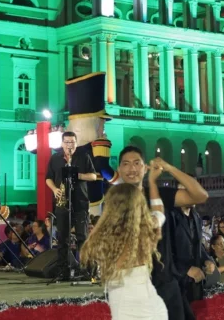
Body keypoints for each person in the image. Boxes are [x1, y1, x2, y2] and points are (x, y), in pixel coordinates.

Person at [117, 146, 209, 320]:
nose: (132, 169)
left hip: (165, 283)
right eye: (126, 164)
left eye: (137, 163)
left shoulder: (161, 195)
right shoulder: (115, 201)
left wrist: (169, 168)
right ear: (119, 169)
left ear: (145, 168)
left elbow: (200, 195)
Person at [80, 182, 167, 319]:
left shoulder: (103, 238)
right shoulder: (147, 229)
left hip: (125, 307)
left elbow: (88, 251)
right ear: (140, 205)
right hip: (154, 305)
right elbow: (159, 213)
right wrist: (153, 180)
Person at [45, 131, 98, 279]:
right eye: (67, 142)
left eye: (72, 142)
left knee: (82, 237)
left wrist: (78, 175)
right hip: (62, 203)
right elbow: (48, 178)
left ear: (76, 143)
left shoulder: (84, 156)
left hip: (80, 202)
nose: (70, 145)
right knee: (62, 239)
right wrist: (55, 190)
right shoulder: (55, 158)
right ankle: (63, 270)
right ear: (62, 144)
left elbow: (94, 176)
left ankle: (85, 270)